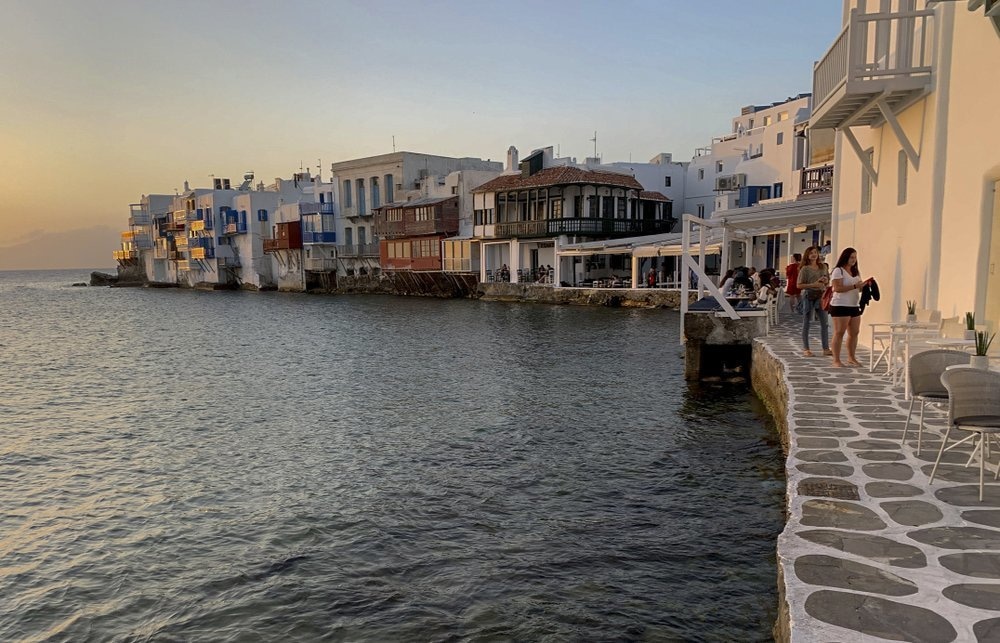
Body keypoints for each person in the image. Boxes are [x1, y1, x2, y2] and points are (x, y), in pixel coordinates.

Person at [829, 247, 866, 367]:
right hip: (840, 304)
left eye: (855, 257)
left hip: (853, 304)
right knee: (839, 332)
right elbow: (837, 288)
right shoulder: (838, 271)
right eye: (851, 257)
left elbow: (857, 288)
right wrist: (855, 286)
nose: (853, 260)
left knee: (854, 332)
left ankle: (851, 357)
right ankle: (836, 360)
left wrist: (863, 286)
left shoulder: (855, 271)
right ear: (845, 257)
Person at [797, 246, 830, 357]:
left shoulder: (823, 267)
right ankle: (806, 348)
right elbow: (799, 285)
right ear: (807, 255)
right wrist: (813, 284)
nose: (813, 255)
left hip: (821, 296)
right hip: (809, 296)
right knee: (806, 323)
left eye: (815, 252)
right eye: (811, 253)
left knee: (824, 323)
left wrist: (825, 281)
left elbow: (828, 281)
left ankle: (826, 348)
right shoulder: (805, 269)